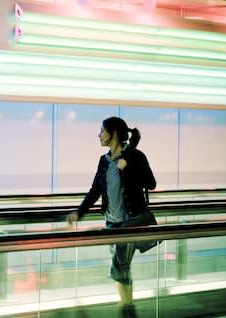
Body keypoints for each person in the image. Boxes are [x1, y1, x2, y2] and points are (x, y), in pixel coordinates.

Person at [66, 116, 156, 318]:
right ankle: (127, 308)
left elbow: (151, 184)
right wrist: (78, 213)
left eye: (102, 131)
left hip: (131, 221)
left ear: (113, 134)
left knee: (120, 266)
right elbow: (95, 190)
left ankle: (127, 310)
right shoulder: (104, 161)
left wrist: (129, 168)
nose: (98, 135)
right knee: (122, 268)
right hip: (111, 222)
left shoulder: (136, 156)